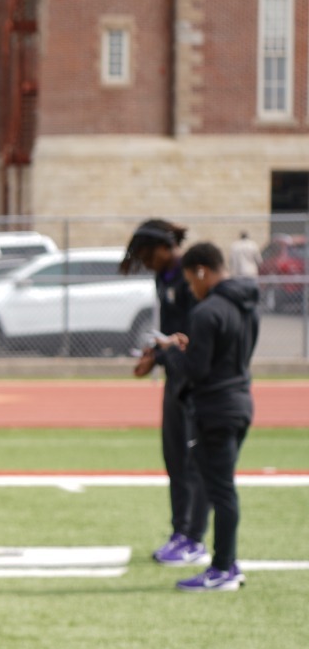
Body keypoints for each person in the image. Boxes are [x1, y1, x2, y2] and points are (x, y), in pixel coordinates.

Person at [169, 242, 259, 591]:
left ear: (202, 271)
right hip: (240, 400)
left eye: (192, 280)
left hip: (215, 408)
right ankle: (226, 564)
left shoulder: (207, 312)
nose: (192, 288)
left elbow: (197, 369)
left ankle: (224, 567)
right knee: (222, 487)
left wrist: (175, 355)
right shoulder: (248, 307)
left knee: (221, 491)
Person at [122, 219, 209, 566]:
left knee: (192, 462)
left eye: (147, 256)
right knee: (174, 458)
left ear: (163, 248)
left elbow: (193, 337)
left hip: (196, 384)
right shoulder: (165, 278)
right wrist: (155, 355)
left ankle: (193, 537)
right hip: (175, 378)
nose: (146, 264)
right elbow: (174, 335)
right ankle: (179, 531)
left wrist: (166, 352)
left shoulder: (192, 280)